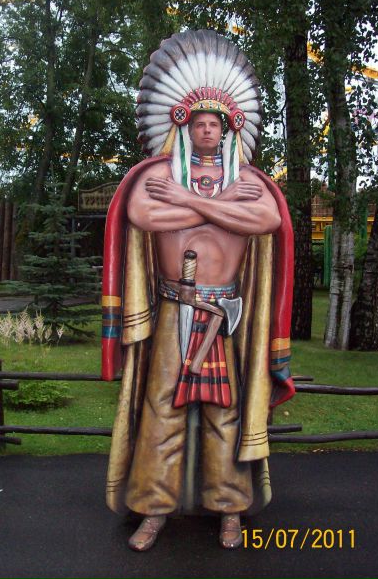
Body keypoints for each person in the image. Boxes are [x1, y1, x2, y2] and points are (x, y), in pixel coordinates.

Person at [101, 30, 295, 552]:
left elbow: (267, 219)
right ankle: (153, 510)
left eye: (215, 123)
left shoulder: (249, 180)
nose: (207, 129)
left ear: (229, 129)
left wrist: (189, 202)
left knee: (223, 411)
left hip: (225, 312)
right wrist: (221, 207)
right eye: (199, 123)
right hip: (174, 309)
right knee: (161, 407)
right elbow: (144, 214)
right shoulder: (159, 174)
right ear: (184, 125)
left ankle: (230, 509)